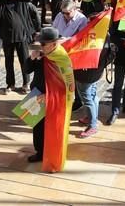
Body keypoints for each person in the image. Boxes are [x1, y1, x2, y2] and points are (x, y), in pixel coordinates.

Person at [25, 27, 74, 173]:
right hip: (37, 94)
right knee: (37, 126)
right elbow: (27, 70)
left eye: (43, 44)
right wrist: (31, 58)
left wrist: (49, 96)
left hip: (53, 99)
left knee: (52, 129)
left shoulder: (62, 59)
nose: (41, 46)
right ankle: (40, 152)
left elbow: (68, 85)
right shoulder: (42, 54)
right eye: (40, 43)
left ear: (54, 44)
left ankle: (52, 156)